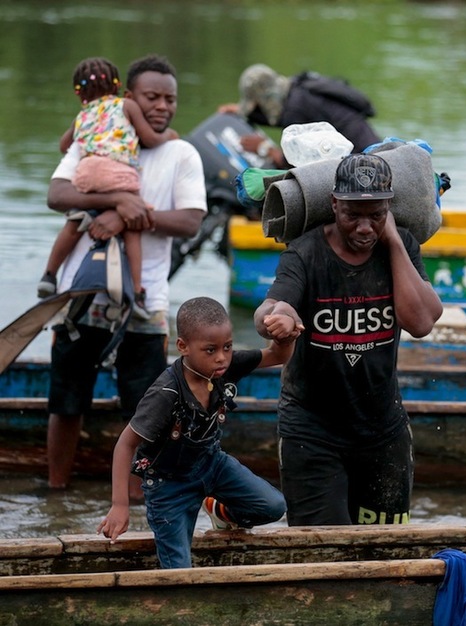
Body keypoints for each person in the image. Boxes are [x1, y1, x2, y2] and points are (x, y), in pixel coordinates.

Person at [253, 152, 442, 526]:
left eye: (376, 214)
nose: (364, 227)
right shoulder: (305, 253)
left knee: (386, 553)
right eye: (353, 214)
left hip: (382, 429)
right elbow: (273, 306)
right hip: (312, 430)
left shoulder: (399, 246)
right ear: (334, 204)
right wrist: (278, 318)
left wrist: (392, 241)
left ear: (389, 209)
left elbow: (421, 322)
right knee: (322, 551)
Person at [45, 54, 207, 490]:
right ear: (127, 98)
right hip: (84, 293)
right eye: (152, 97)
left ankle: (134, 501)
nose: (162, 106)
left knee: (144, 407)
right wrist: (117, 202)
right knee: (66, 400)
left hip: (144, 296)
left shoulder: (179, 152)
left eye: (170, 99)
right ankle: (55, 488)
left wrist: (130, 217)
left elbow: (191, 220)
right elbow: (57, 195)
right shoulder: (95, 135)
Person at [97, 297, 298, 569]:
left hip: (212, 464)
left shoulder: (224, 367)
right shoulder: (165, 394)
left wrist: (286, 333)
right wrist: (119, 505)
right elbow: (125, 444)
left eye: (227, 347)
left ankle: (222, 512)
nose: (222, 357)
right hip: (168, 486)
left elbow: (278, 355)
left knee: (274, 506)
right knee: (179, 569)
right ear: (183, 347)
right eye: (211, 350)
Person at [38, 57, 179, 319]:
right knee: (132, 230)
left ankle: (49, 275)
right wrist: (168, 136)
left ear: (79, 93)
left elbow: (64, 146)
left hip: (87, 174)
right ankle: (137, 292)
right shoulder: (126, 105)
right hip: (118, 174)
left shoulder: (82, 114)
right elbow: (148, 137)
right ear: (117, 86)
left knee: (73, 222)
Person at [217, 63, 381, 167]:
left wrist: (264, 148)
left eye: (258, 106)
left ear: (266, 99)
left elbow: (293, 164)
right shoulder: (297, 89)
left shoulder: (296, 109)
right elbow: (280, 118)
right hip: (373, 148)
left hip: (366, 160)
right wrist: (242, 111)